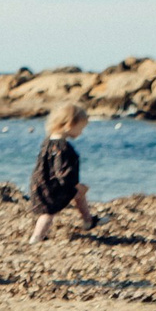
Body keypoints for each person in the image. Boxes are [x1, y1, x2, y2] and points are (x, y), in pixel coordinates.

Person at [27, 102, 98, 241]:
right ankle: (36, 237)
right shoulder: (62, 147)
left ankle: (88, 220)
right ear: (69, 125)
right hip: (55, 186)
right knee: (48, 213)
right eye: (81, 128)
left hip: (41, 182)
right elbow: (62, 171)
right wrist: (76, 185)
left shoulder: (48, 142)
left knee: (79, 195)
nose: (81, 132)